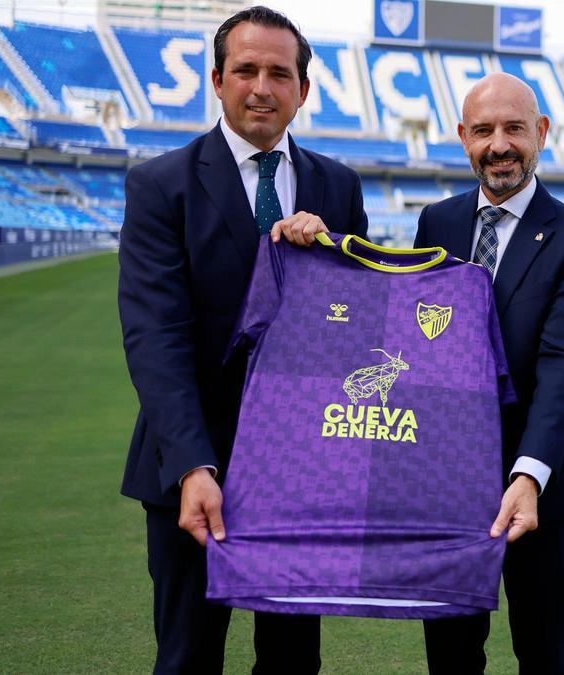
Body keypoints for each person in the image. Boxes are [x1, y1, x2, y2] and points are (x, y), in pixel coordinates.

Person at [117, 6, 368, 673]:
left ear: (303, 90)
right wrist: (195, 463)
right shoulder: (159, 185)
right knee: (189, 657)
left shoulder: (338, 187)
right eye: (246, 69)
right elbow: (154, 335)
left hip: (300, 473)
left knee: (292, 661)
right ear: (218, 80)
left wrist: (334, 258)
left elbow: (359, 328)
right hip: (193, 472)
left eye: (279, 73)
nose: (262, 86)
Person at [413, 72, 564, 674]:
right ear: (463, 138)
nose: (499, 144)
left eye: (513, 129)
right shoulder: (436, 223)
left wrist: (528, 475)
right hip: (447, 484)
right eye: (483, 131)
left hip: (542, 488)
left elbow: (563, 368)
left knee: (543, 651)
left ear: (542, 133)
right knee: (449, 655)